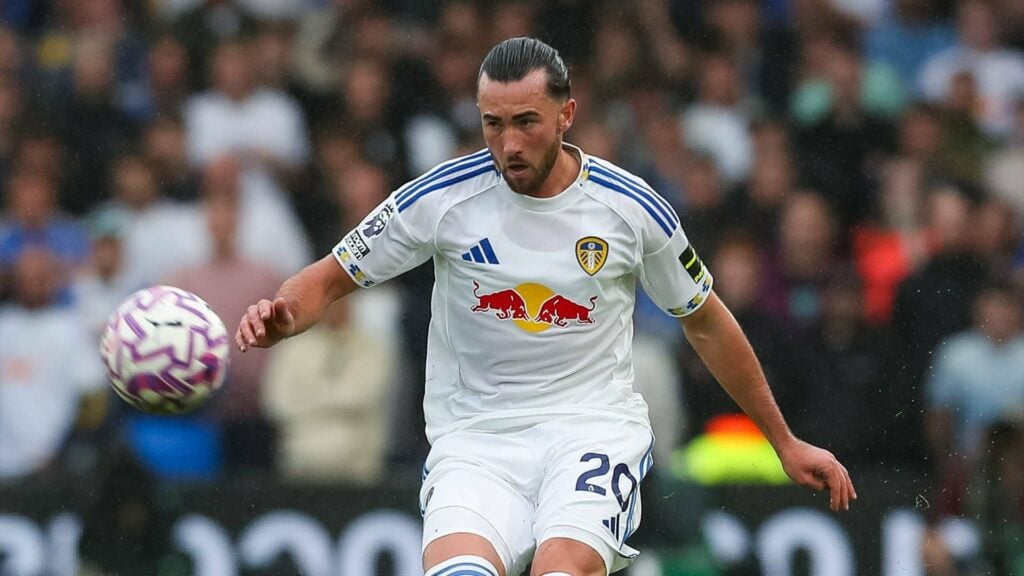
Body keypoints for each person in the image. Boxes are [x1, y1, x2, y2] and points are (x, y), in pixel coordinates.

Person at [236, 37, 856, 576]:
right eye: (492, 124)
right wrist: (284, 314)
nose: (508, 144)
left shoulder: (630, 209)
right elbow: (329, 278)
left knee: (561, 567)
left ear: (567, 115)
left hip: (590, 429)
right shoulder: (444, 199)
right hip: (476, 438)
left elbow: (706, 321)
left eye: (526, 122)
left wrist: (784, 441)